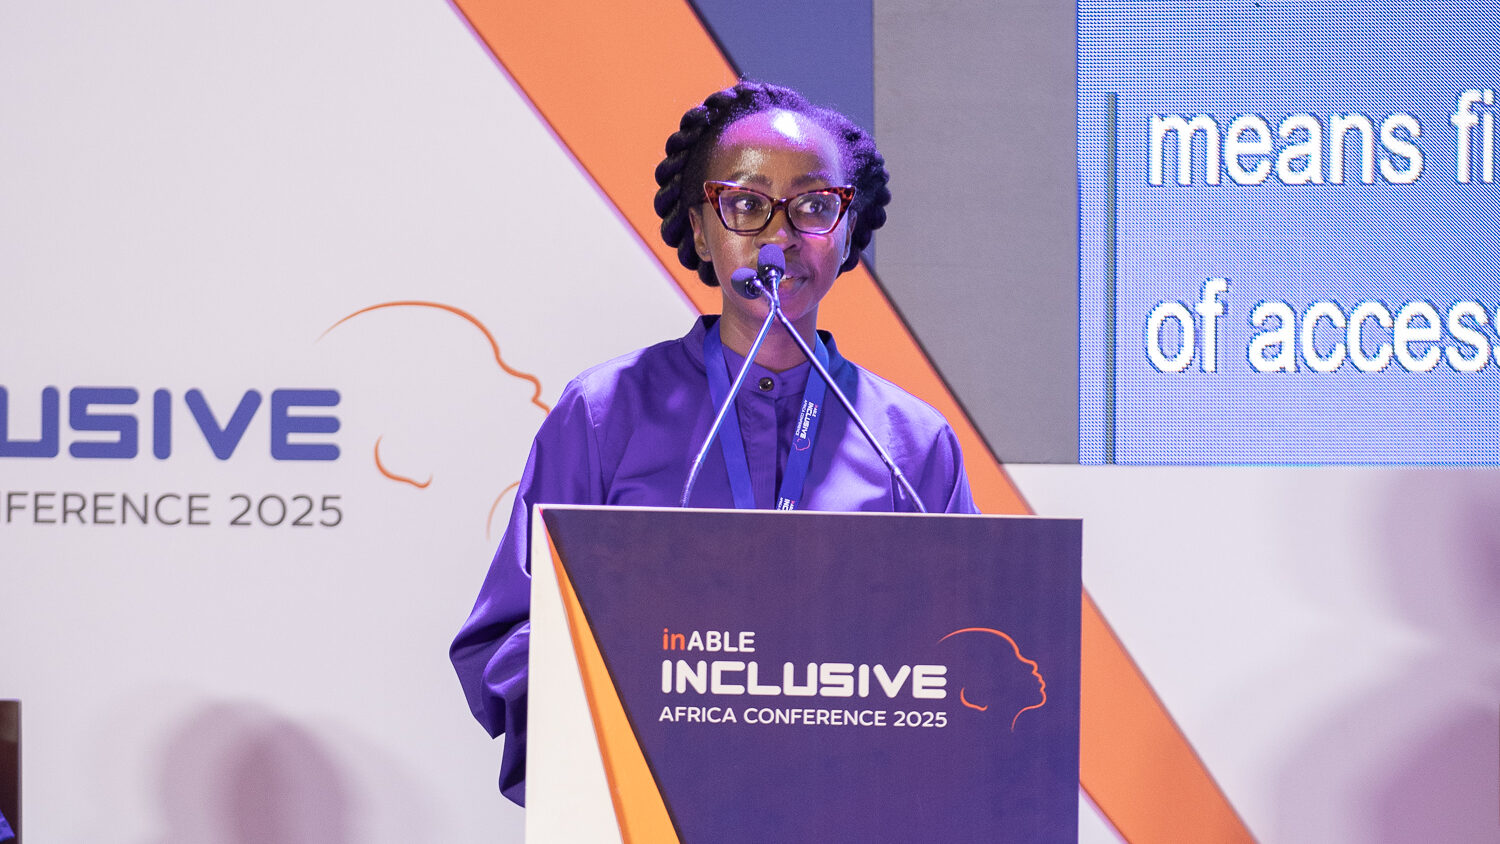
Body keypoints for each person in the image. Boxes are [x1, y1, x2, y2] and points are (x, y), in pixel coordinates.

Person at [450, 80, 978, 806]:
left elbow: (964, 648)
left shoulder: (911, 444)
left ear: (848, 232)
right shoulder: (605, 414)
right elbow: (511, 636)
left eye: (816, 206)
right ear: (700, 228)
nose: (780, 235)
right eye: (746, 203)